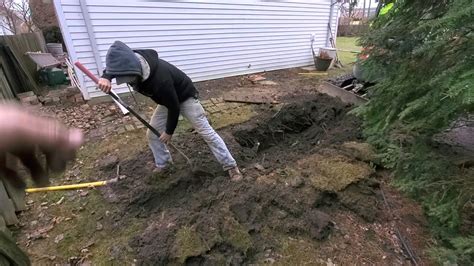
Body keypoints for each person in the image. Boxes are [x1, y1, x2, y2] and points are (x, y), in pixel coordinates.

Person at [97, 41, 243, 181]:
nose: (130, 82)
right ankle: (164, 164)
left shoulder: (160, 79)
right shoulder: (128, 60)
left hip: (185, 98)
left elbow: (174, 107)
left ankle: (230, 166)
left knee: (206, 132)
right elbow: (114, 66)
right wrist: (106, 77)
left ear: (136, 70)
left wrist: (169, 132)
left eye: (130, 79)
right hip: (167, 101)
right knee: (152, 134)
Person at [0, 103, 83, 265]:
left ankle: (48, 160)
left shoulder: (35, 130)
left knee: (29, 153)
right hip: (14, 131)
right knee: (30, 155)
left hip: (18, 131)